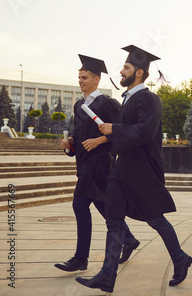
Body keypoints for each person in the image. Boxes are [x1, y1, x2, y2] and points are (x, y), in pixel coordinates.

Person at [75, 45, 192, 293]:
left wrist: (113, 129)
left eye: (126, 67)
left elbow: (145, 132)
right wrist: (109, 132)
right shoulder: (127, 99)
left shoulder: (149, 99)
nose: (121, 70)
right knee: (114, 220)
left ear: (139, 72)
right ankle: (107, 275)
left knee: (155, 219)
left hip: (142, 170)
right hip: (121, 169)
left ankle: (180, 258)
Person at [55, 55, 139, 272]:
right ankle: (128, 240)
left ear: (96, 80)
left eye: (84, 78)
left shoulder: (108, 104)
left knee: (80, 205)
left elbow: (123, 130)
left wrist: (101, 139)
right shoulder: (79, 105)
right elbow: (78, 131)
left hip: (101, 165)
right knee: (104, 207)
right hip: (84, 164)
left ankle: (81, 258)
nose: (80, 81)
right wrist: (70, 141)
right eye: (79, 77)